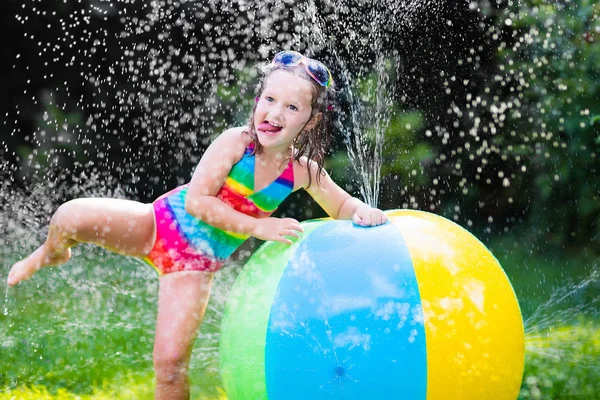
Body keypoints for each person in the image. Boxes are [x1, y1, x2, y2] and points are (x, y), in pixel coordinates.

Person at [6, 50, 387, 399]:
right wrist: (258, 227)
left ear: (311, 119)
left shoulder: (302, 171)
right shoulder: (236, 143)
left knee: (170, 365)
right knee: (69, 216)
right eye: (269, 100)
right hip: (155, 225)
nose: (275, 113)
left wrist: (361, 211)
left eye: (291, 107)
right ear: (257, 101)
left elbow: (341, 204)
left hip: (194, 267)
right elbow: (197, 202)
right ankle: (51, 252)